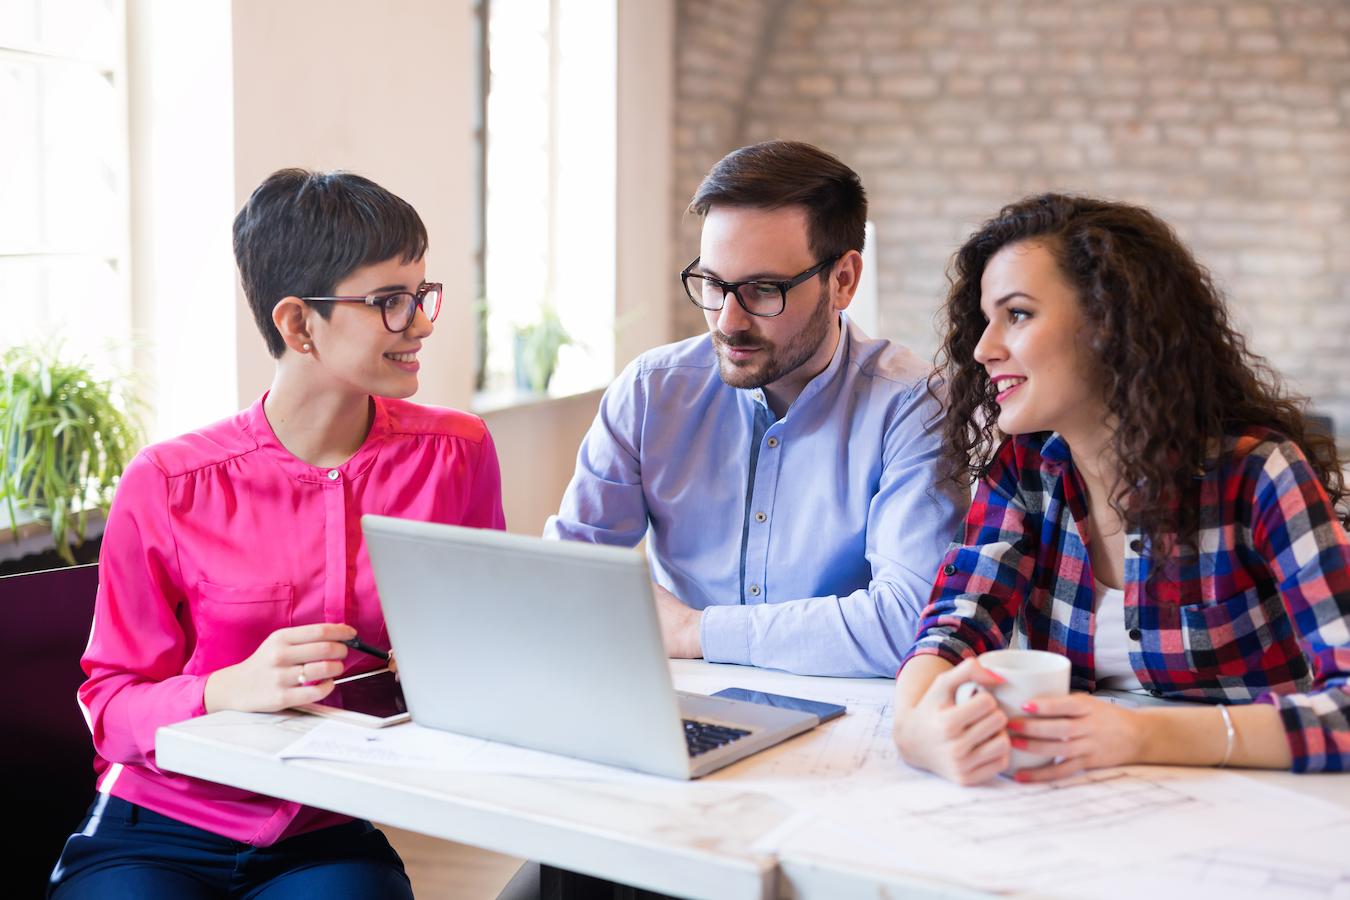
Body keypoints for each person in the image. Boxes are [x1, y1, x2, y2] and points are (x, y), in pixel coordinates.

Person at [48, 169, 505, 898]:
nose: (421, 322)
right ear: (298, 324)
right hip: (156, 824)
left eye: (421, 294)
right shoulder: (168, 482)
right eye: (390, 301)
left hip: (323, 833)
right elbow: (111, 708)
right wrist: (228, 688)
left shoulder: (456, 453)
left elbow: (484, 641)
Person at [892, 193, 1350, 785]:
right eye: (986, 319)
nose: (983, 348)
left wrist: (1139, 735)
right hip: (1085, 808)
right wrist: (914, 728)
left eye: (1019, 314)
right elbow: (956, 624)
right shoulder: (1026, 470)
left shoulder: (1258, 473)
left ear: (1111, 324)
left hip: (1255, 809)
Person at [545, 140, 966, 678]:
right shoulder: (651, 393)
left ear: (843, 281)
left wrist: (692, 630)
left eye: (764, 290)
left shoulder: (913, 408)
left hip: (843, 718)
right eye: (714, 285)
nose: (727, 321)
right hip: (676, 703)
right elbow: (568, 573)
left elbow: (911, 624)